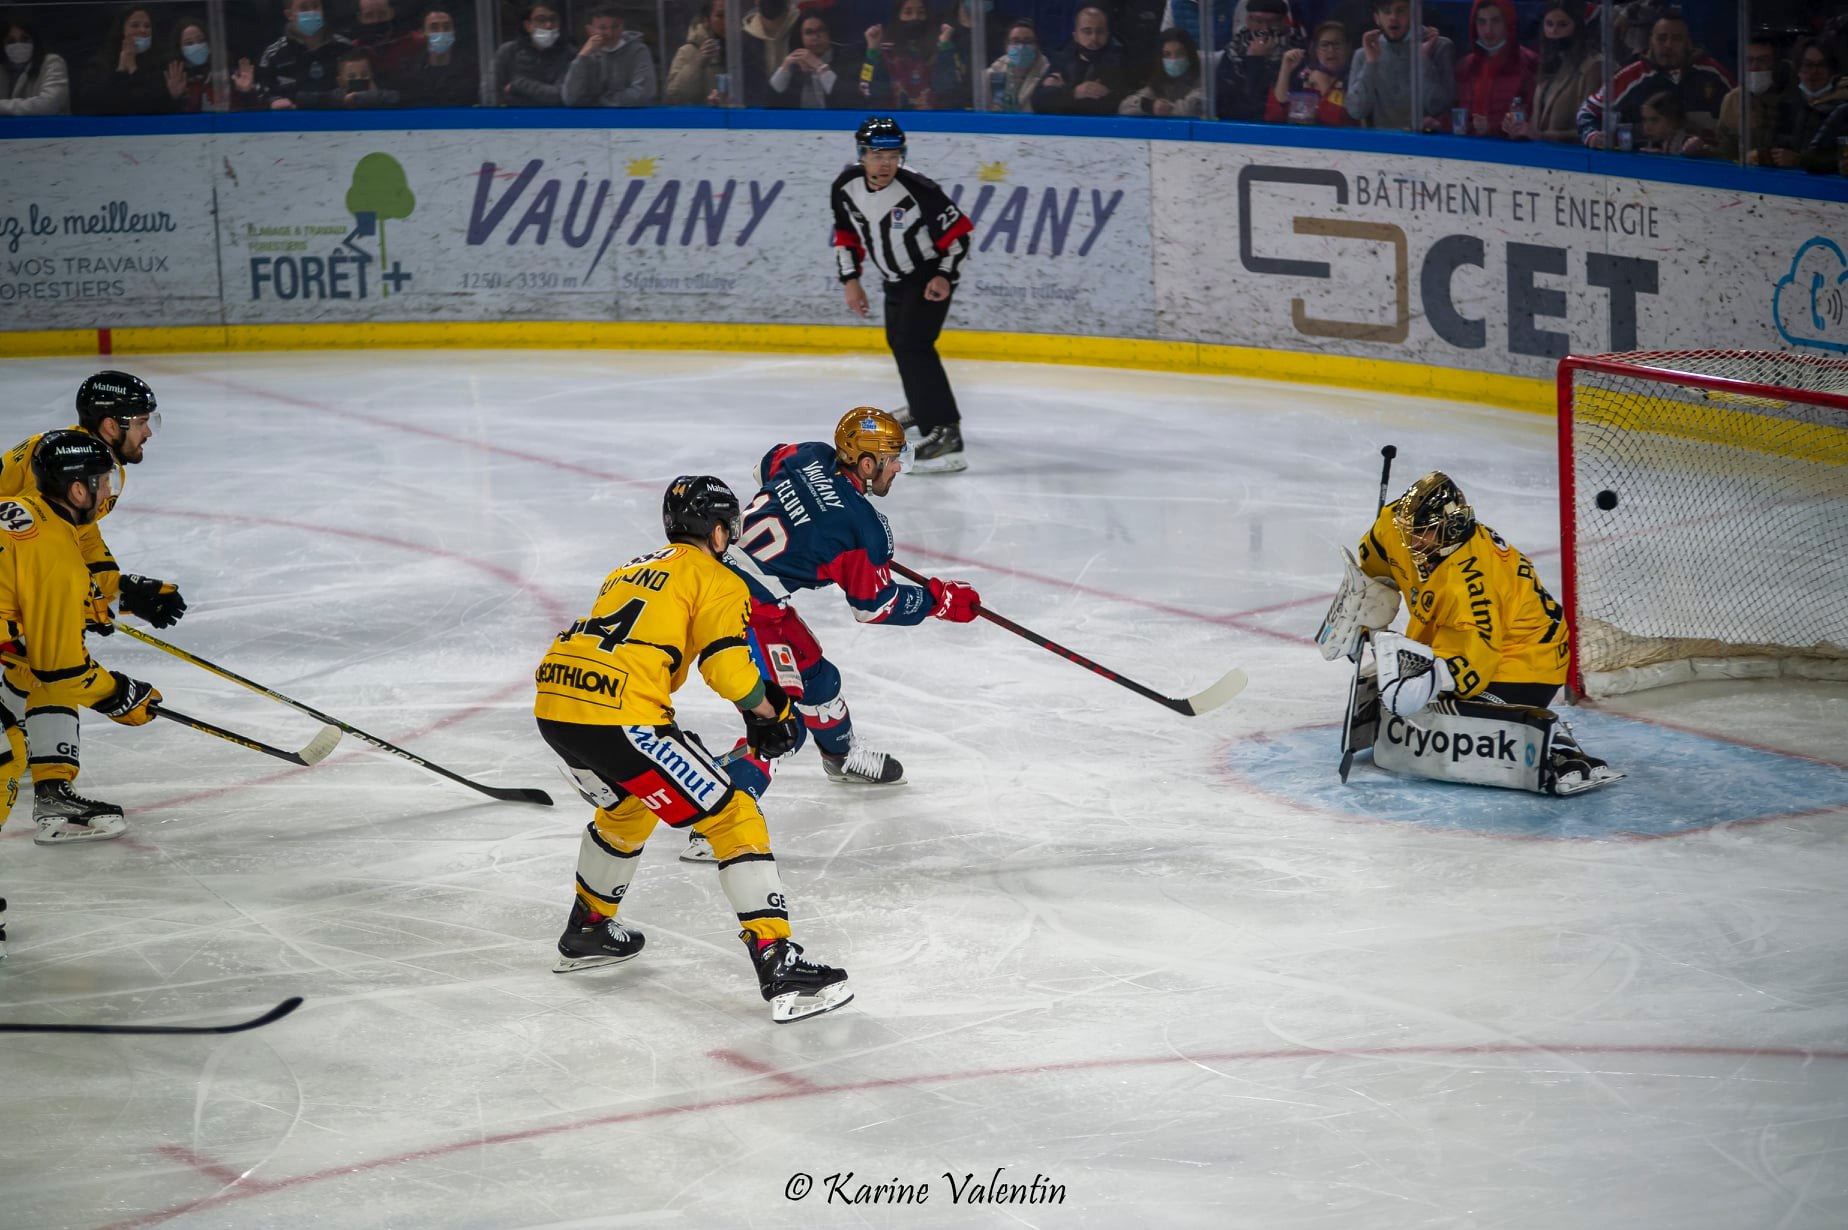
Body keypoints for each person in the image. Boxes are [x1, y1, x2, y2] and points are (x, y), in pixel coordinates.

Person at [534, 475, 853, 1024]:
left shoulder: (628, 568)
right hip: (624, 717)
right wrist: (771, 711)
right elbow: (728, 670)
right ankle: (779, 965)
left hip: (557, 705)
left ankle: (588, 929)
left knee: (629, 806)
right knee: (734, 816)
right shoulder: (718, 577)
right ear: (722, 530)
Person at [687, 406, 980, 844]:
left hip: (718, 579)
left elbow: (762, 468)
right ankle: (718, 827)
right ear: (866, 464)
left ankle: (840, 760)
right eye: (893, 459)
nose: (898, 467)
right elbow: (874, 606)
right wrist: (941, 600)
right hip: (744, 611)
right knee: (781, 725)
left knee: (820, 681)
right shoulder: (863, 529)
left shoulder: (809, 454)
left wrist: (809, 512)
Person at [1321, 471, 1617, 795]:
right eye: (1410, 532)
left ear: (1450, 528)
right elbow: (1375, 562)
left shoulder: (1470, 581)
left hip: (1527, 658)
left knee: (1448, 711)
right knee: (1410, 700)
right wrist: (1365, 604)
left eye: (1424, 534)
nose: (1413, 542)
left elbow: (1475, 666)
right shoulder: (1395, 524)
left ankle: (1551, 742)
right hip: (1466, 639)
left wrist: (1430, 679)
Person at [0, 373, 186, 844]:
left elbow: (77, 536)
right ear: (109, 424)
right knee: (43, 666)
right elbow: (50, 561)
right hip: (26, 585)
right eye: (142, 422)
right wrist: (117, 695)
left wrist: (118, 590)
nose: (148, 432)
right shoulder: (64, 468)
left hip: (21, 586)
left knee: (32, 664)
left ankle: (51, 786)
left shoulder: (80, 465)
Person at [832, 117, 973, 474]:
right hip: (894, 279)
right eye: (877, 155)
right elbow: (846, 235)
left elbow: (959, 237)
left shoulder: (919, 189)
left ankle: (946, 434)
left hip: (928, 275)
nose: (885, 164)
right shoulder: (845, 187)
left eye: (893, 155)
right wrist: (851, 280)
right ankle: (923, 406)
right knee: (899, 341)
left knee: (914, 344)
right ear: (861, 155)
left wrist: (944, 275)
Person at [1577, 11, 1731, 148]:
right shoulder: (1631, 75)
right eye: (1662, 38)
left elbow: (1743, 108)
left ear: (1688, 42)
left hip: (1708, 167)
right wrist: (1592, 136)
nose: (1668, 45)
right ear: (1651, 40)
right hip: (1646, 168)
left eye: (1676, 38)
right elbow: (1587, 111)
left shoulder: (1713, 72)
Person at [1345, 0, 1454, 130]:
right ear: (1377, 18)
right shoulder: (1364, 54)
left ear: (1414, 13)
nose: (1393, 17)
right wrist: (1371, 64)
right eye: (1386, 11)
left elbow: (1440, 108)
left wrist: (1423, 59)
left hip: (1426, 143)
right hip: (1380, 145)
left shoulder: (1439, 46)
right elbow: (1356, 111)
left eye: (1400, 10)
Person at [1505, 2, 1600, 142]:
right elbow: (1538, 125)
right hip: (1541, 157)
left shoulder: (1593, 67)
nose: (1553, 31)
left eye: (1562, 25)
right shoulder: (1548, 63)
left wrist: (1541, 136)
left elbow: (1592, 132)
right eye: (1549, 24)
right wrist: (1518, 127)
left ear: (1579, 27)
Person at [1450, 0, 1534, 137]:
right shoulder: (1465, 66)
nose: (1488, 29)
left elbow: (1532, 121)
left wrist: (1491, 129)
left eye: (1495, 21)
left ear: (1508, 22)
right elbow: (1454, 114)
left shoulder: (1529, 63)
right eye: (1482, 22)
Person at [860, 0, 964, 110]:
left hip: (934, 121)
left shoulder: (941, 47)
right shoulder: (885, 50)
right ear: (898, 15)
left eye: (921, 12)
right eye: (908, 13)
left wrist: (945, 50)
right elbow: (866, 89)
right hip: (893, 120)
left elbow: (949, 90)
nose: (915, 17)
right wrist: (872, 51)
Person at [1705, 33, 1791, 163]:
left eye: (1762, 60)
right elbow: (1725, 153)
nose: (1755, 67)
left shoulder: (1790, 97)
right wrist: (1703, 150)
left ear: (1775, 64)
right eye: (1749, 60)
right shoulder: (1733, 100)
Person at [256, 0, 353, 109]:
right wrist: (273, 100)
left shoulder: (344, 47)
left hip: (339, 119)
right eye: (304, 8)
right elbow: (262, 89)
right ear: (289, 15)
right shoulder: (273, 54)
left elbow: (359, 88)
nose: (312, 12)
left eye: (316, 6)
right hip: (293, 121)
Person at [1032, 5, 1128, 115]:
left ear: (1107, 35)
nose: (1094, 38)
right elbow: (1038, 102)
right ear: (1075, 36)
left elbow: (1111, 106)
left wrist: (1061, 92)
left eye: (1100, 31)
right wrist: (1075, 93)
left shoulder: (1120, 63)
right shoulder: (1061, 62)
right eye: (1087, 31)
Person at [561, 4, 656, 107]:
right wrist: (582, 57)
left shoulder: (638, 50)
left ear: (622, 26)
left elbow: (643, 93)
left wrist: (599, 101)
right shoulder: (586, 55)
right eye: (602, 28)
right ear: (590, 30)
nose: (610, 33)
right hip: (592, 120)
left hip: (630, 119)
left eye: (615, 27)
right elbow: (570, 98)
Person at [82, 5, 171, 114]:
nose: (143, 30)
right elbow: (95, 103)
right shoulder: (100, 63)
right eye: (135, 25)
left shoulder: (161, 63)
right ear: (122, 30)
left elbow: (153, 104)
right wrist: (120, 70)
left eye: (147, 26)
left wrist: (133, 68)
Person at [1773, 40, 1847, 170]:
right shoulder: (1788, 105)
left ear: (1832, 71)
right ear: (1798, 69)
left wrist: (1800, 161)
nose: (1813, 72)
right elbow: (1777, 144)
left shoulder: (1844, 109)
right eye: (1808, 65)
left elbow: (1842, 160)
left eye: (1821, 65)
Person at [1213, 0, 1292, 122]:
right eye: (1259, 21)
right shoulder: (1234, 51)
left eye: (1272, 21)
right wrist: (1255, 59)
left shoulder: (1295, 51)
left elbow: (1270, 102)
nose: (1265, 28)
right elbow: (1224, 104)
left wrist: (1257, 60)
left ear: (1283, 21)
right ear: (1248, 20)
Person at [765, 10, 862, 109]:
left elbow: (851, 100)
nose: (815, 37)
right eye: (809, 32)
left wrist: (820, 66)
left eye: (821, 30)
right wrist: (784, 67)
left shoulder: (847, 60)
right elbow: (767, 103)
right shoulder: (794, 65)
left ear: (829, 32)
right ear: (801, 37)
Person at [1264, 20, 1350, 124]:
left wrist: (1324, 85)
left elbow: (1341, 121)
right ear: (1315, 50)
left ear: (1347, 48)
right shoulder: (1303, 76)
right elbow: (1275, 115)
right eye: (1324, 45)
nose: (1331, 50)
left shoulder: (1353, 78)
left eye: (1337, 44)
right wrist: (1285, 70)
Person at [493, 3, 572, 107]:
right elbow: (492, 92)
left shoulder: (569, 54)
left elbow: (559, 95)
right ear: (528, 25)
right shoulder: (508, 52)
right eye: (541, 20)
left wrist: (517, 84)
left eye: (553, 19)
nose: (548, 25)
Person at [397, 6, 476, 108]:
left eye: (447, 27)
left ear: (454, 31)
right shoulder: (410, 70)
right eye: (434, 27)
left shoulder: (471, 68)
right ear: (423, 33)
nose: (441, 31)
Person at [1122, 27, 1203, 116]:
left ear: (1190, 54)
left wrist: (1164, 109)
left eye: (1180, 53)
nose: (1173, 59)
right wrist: (1150, 106)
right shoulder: (1160, 82)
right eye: (1167, 54)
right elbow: (1124, 107)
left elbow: (1189, 110)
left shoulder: (1204, 80)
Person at [1, 16, 71, 115]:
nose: (18, 45)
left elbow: (48, 105)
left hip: (50, 128)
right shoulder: (2, 69)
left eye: (24, 39)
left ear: (34, 41)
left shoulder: (52, 62)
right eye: (11, 41)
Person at [664, 0, 726, 105]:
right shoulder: (689, 51)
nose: (727, 21)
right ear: (706, 21)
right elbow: (674, 95)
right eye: (720, 15)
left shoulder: (748, 48)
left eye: (732, 15)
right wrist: (698, 61)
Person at [986, 19, 1051, 113]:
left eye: (1028, 41)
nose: (1021, 46)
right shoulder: (992, 73)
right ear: (1007, 46)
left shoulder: (1047, 72)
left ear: (1036, 46)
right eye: (1015, 41)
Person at [331, 47, 399, 107]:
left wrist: (372, 94)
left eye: (364, 75)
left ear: (372, 76)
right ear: (340, 82)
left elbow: (396, 97)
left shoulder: (382, 94)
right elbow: (328, 98)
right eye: (352, 77)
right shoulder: (336, 96)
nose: (359, 79)